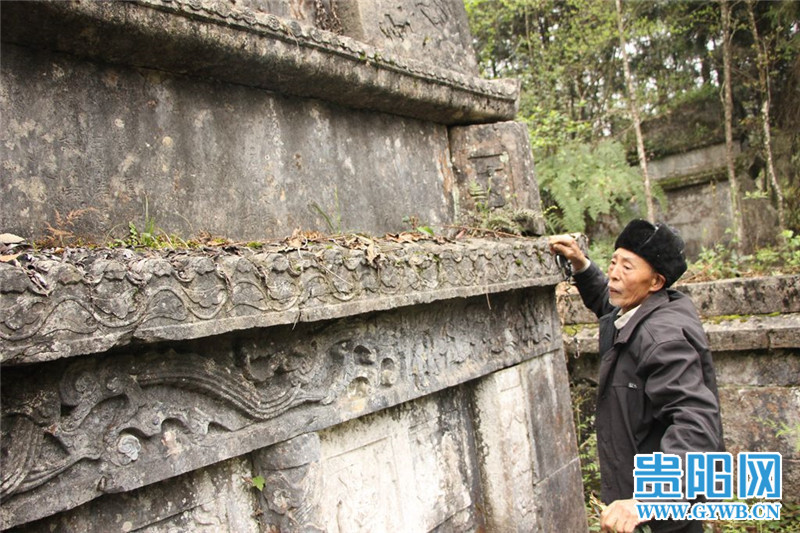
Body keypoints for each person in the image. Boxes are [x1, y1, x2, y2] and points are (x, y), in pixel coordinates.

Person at [550, 220, 724, 533]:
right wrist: (581, 264)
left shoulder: (664, 338)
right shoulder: (637, 308)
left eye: (627, 267)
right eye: (614, 261)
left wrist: (649, 499)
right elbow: (607, 301)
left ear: (656, 282)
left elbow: (696, 426)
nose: (615, 273)